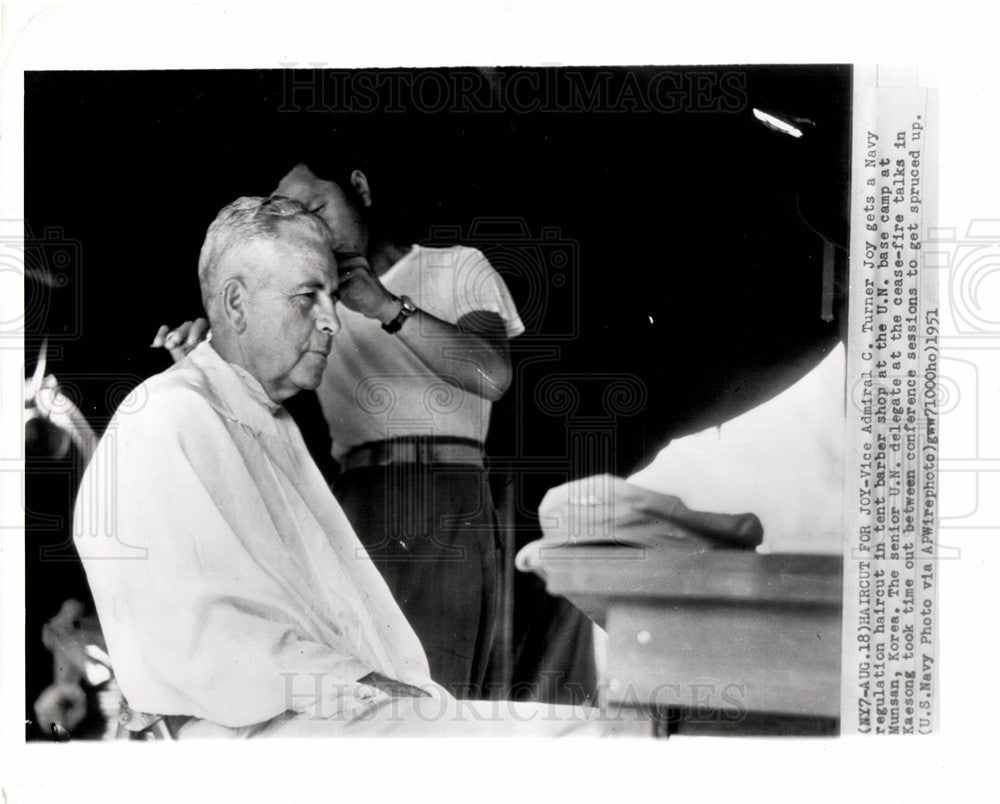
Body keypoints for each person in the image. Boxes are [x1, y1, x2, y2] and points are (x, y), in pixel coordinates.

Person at [74, 196, 596, 737]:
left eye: (331, 296)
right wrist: (369, 685)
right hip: (263, 733)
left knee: (580, 732)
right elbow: (203, 642)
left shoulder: (263, 420)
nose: (333, 322)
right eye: (307, 297)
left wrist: (384, 688)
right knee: (569, 744)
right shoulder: (168, 415)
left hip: (325, 708)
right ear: (235, 304)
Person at [155, 161, 523, 698]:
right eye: (291, 218)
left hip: (447, 500)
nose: (310, 229)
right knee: (357, 691)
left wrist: (382, 306)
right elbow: (252, 394)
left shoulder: (458, 267)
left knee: (435, 696)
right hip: (350, 506)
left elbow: (492, 373)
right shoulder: (305, 301)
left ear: (361, 189)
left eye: (316, 208)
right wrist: (205, 363)